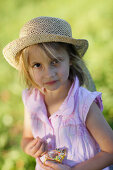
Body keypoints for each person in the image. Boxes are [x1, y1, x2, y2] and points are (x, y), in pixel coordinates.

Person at [3, 16, 113, 170]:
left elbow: (110, 151)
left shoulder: (83, 103)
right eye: (37, 65)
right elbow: (27, 138)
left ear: (70, 59)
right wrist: (30, 148)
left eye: (55, 61)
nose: (49, 73)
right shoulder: (32, 100)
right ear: (27, 68)